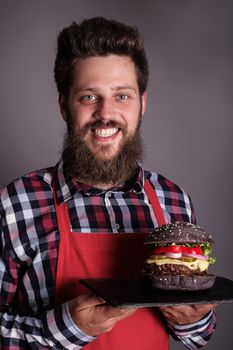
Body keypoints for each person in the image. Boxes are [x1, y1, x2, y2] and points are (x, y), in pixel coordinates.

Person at [0, 17, 216, 349]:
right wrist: (64, 327)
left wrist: (194, 321)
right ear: (63, 105)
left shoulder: (174, 201)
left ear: (142, 103)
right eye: (89, 97)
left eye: (122, 96)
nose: (106, 113)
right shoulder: (14, 204)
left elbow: (198, 337)